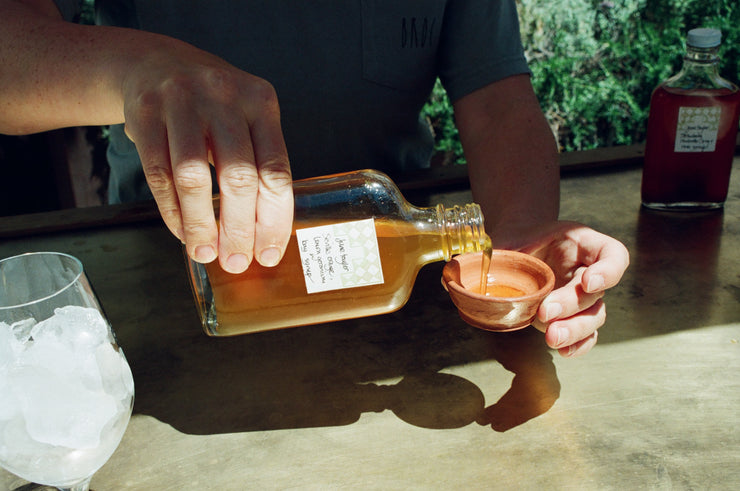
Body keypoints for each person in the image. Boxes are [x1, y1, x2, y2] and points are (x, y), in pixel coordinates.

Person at [0, 0, 629, 357]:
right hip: (168, 276)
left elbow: (496, 99)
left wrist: (516, 230)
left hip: (390, 311)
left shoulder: (398, 250)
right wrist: (132, 68)